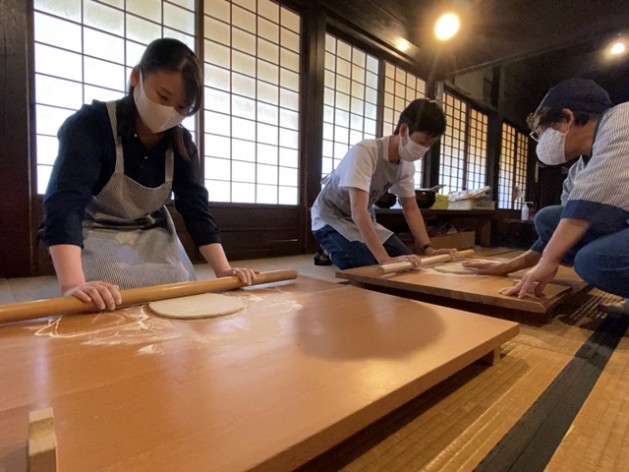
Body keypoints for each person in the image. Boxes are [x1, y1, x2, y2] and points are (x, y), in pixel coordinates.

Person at [42, 38, 257, 311]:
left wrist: (224, 271)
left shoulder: (182, 144)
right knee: (107, 294)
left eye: (182, 107)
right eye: (164, 97)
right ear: (136, 77)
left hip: (151, 231)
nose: (169, 112)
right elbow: (65, 202)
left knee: (181, 286)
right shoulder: (91, 124)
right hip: (95, 230)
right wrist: (72, 284)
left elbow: (195, 207)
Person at [466, 78, 629, 313]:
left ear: (567, 118)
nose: (541, 141)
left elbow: (588, 203)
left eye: (541, 132)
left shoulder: (622, 120)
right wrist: (510, 266)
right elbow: (561, 231)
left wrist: (549, 260)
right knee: (549, 218)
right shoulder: (579, 169)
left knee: (592, 261)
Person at [311, 98, 457, 270]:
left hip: (363, 219)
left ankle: (345, 245)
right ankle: (327, 247)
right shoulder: (365, 152)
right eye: (422, 142)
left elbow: (410, 208)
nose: (424, 149)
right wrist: (384, 259)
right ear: (404, 130)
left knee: (408, 263)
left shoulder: (406, 165)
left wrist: (429, 249)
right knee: (366, 265)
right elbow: (358, 210)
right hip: (331, 217)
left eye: (429, 145)